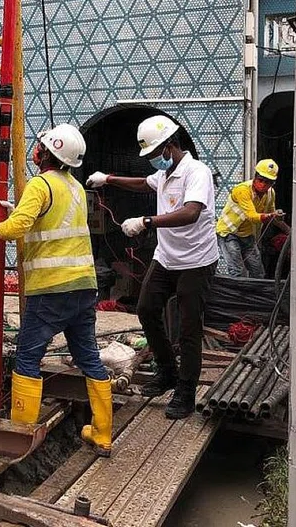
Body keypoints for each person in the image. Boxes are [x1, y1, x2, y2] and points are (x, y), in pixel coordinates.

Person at [0, 124, 112, 456]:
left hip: (51, 289)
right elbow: (52, 223)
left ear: (46, 153)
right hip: (84, 287)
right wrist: (20, 213)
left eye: (40, 145)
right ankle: (102, 434)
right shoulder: (73, 188)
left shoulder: (39, 184)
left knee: (28, 357)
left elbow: (17, 228)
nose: (35, 149)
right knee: (89, 357)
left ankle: (20, 436)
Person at [86, 115, 217, 419]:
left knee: (188, 328)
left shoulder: (197, 172)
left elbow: (191, 213)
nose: (154, 160)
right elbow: (145, 184)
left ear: (170, 145)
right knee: (146, 309)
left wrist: (147, 222)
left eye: (156, 153)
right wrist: (109, 178)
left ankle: (186, 392)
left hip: (196, 261)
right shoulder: (166, 173)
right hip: (167, 257)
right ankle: (167, 371)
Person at [215, 159, 290, 278]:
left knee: (258, 272)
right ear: (255, 178)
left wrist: (289, 231)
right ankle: (239, 296)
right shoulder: (242, 190)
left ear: (272, 184)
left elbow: (272, 215)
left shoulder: (270, 193)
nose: (263, 185)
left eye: (268, 182)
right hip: (229, 233)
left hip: (247, 235)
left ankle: (255, 296)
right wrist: (271, 215)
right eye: (261, 180)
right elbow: (252, 217)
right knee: (237, 271)